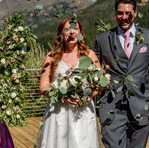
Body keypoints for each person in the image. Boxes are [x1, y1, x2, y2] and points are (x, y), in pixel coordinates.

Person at [93, 0, 149, 148]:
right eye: (120, 13)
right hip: (112, 106)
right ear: (115, 14)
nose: (124, 17)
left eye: (128, 13)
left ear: (136, 13)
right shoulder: (102, 39)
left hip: (143, 105)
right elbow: (94, 71)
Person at [36, 18, 103, 147]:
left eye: (75, 29)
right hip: (58, 113)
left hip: (83, 112)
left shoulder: (90, 55)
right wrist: (62, 96)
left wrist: (90, 94)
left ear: (81, 34)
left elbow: (101, 83)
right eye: (67, 29)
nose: (71, 32)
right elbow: (43, 87)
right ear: (61, 35)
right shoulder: (51, 57)